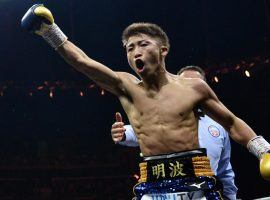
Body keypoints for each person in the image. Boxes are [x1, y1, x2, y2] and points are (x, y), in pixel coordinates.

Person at [21, 4, 270, 199]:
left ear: (163, 51)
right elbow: (82, 62)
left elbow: (232, 123)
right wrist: (48, 31)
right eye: (129, 48)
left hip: (196, 181)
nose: (135, 52)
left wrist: (263, 151)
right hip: (151, 184)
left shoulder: (193, 88)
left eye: (143, 44)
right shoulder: (126, 86)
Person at [111, 66, 237, 199]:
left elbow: (224, 168)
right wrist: (123, 133)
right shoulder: (160, 115)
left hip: (202, 193)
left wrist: (231, 196)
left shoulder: (219, 124)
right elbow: (139, 130)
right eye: (185, 84)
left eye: (195, 84)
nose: (191, 89)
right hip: (164, 193)